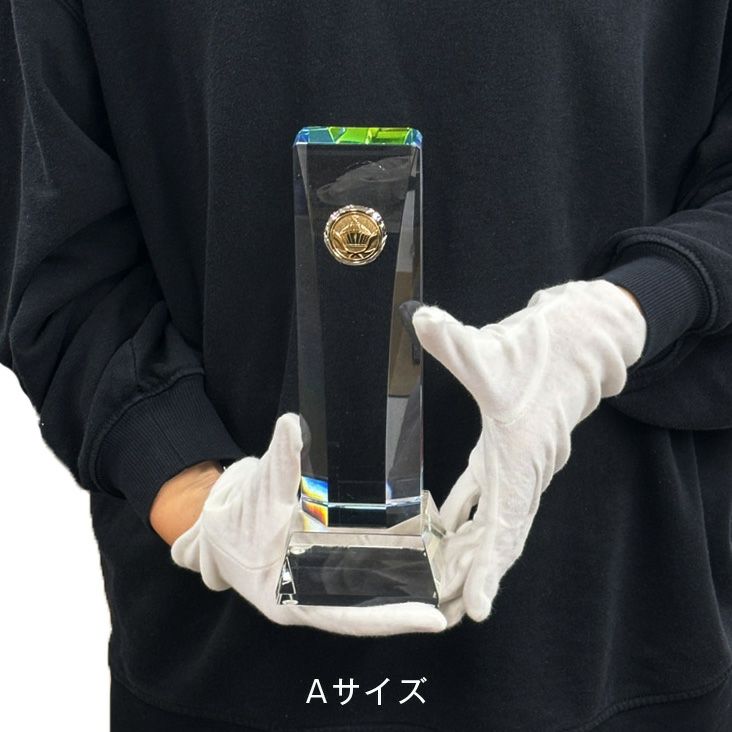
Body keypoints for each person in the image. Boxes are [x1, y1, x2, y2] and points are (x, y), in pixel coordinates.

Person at [2, 1, 732, 729]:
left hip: (622, 629)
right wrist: (191, 487)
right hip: (225, 661)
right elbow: (52, 255)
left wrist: (627, 315)